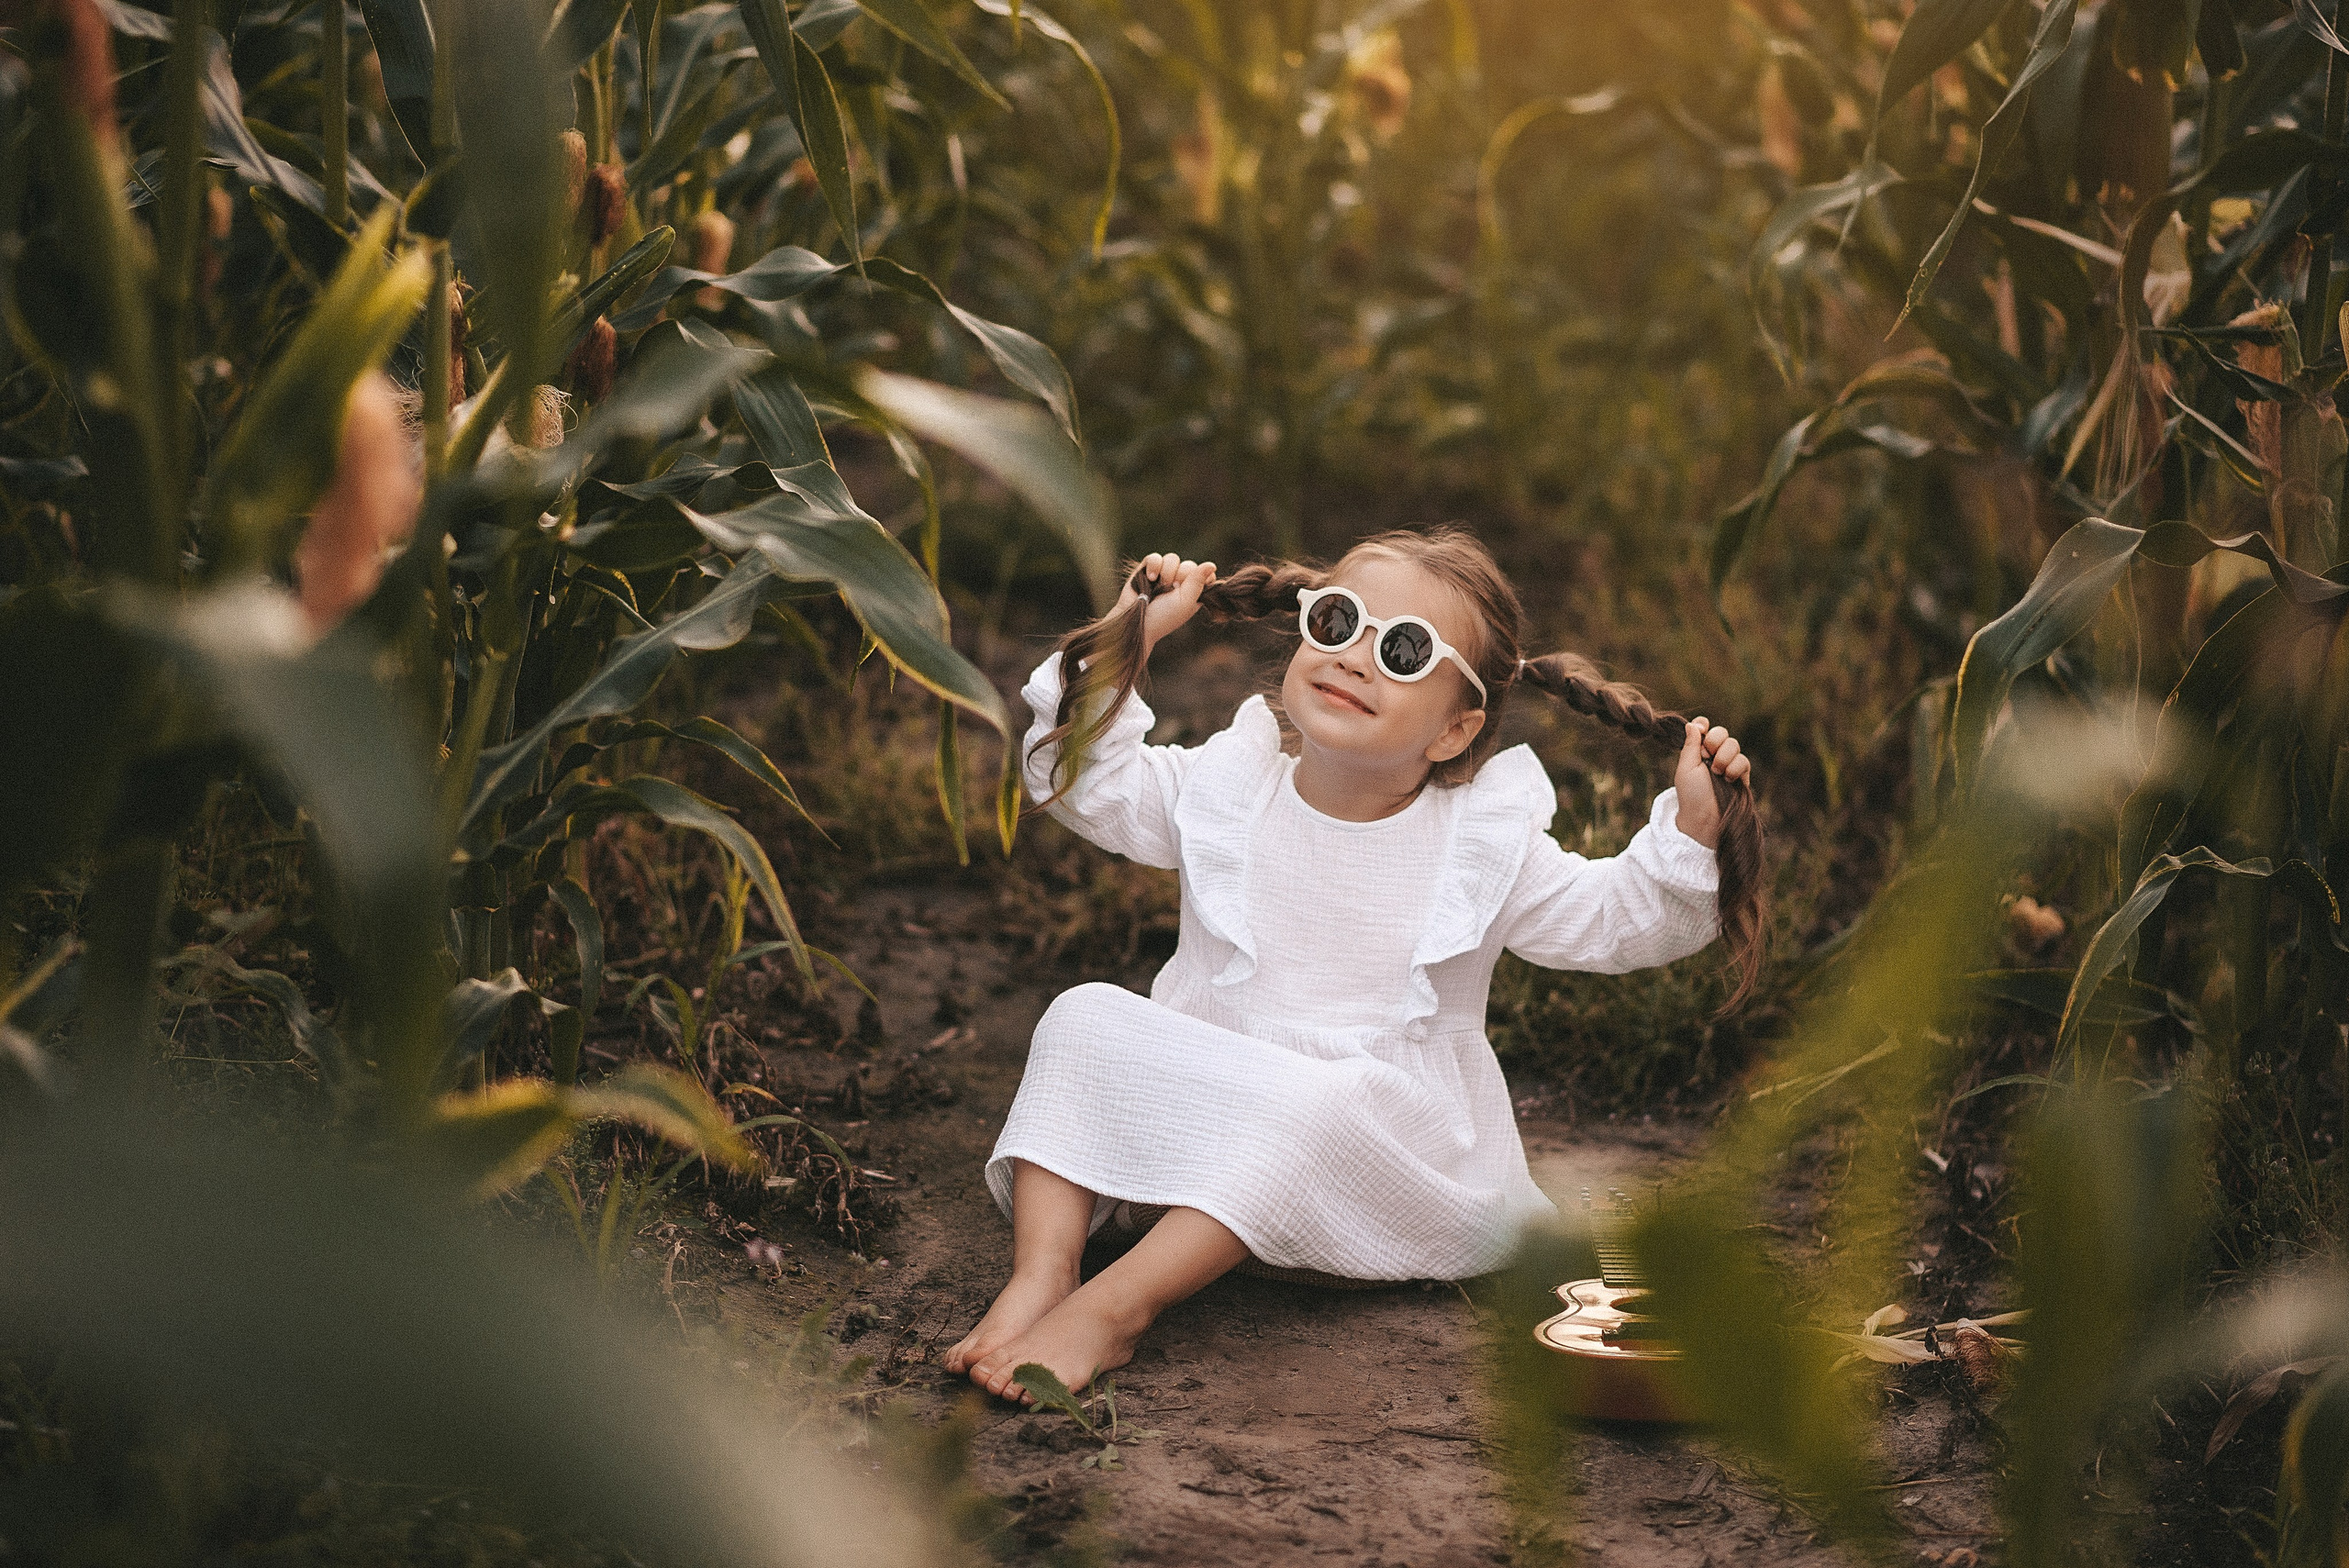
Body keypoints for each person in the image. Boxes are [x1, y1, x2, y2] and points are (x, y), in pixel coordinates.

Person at [943, 526, 1763, 1401]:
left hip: (1367, 1163)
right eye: (1337, 622)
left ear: (1456, 729)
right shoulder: (1229, 787)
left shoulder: (1478, 844)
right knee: (1081, 1016)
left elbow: (1615, 920)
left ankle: (1117, 1307)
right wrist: (1128, 639)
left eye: (1405, 651)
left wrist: (1692, 830)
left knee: (1314, 1099)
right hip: (1205, 1143)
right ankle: (1045, 1272)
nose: (1356, 659)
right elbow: (1080, 781)